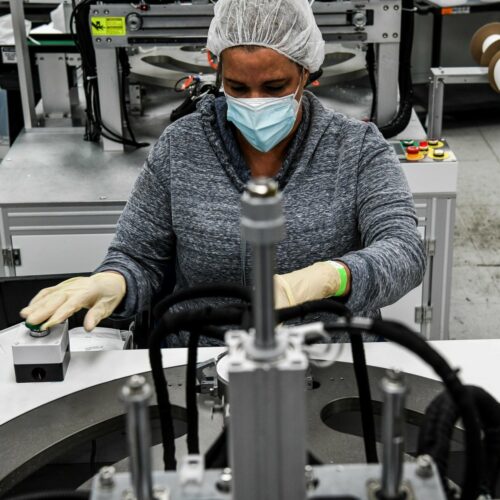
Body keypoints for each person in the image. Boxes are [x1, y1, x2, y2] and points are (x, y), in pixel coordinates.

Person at [20, 0, 425, 346]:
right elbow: (138, 255)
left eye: (274, 86)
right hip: (199, 359)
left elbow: (405, 251)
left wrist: (328, 278)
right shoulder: (182, 146)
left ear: (307, 72)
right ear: (217, 70)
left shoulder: (356, 147)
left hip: (326, 360)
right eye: (237, 86)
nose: (255, 102)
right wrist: (114, 280)